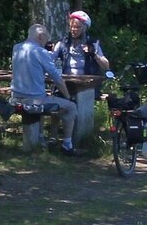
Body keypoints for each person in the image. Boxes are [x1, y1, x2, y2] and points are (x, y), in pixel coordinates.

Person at [9, 23, 79, 154]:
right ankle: (67, 144)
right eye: (46, 37)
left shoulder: (17, 48)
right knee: (71, 107)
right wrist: (69, 97)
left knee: (47, 98)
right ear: (41, 36)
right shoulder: (40, 52)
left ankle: (42, 138)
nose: (48, 40)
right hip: (34, 100)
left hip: (15, 98)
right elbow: (57, 79)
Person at [51, 10, 112, 78]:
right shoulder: (62, 43)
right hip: (65, 83)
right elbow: (50, 60)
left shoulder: (93, 44)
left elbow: (106, 66)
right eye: (71, 27)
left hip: (87, 85)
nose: (73, 29)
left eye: (77, 27)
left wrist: (94, 54)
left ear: (84, 28)